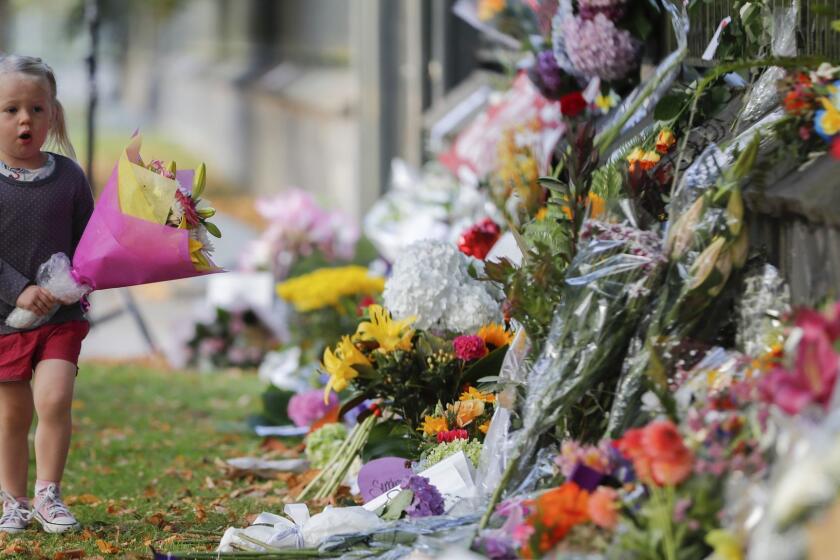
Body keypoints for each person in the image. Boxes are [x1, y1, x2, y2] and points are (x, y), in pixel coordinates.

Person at [0, 54, 94, 534]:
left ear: (53, 114)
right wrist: (18, 291)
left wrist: (77, 285)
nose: (24, 120)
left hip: (62, 316)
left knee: (54, 399)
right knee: (12, 413)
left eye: (37, 109)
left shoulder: (70, 177)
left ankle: (47, 495)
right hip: (4, 320)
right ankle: (12, 498)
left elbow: (90, 244)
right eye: (11, 109)